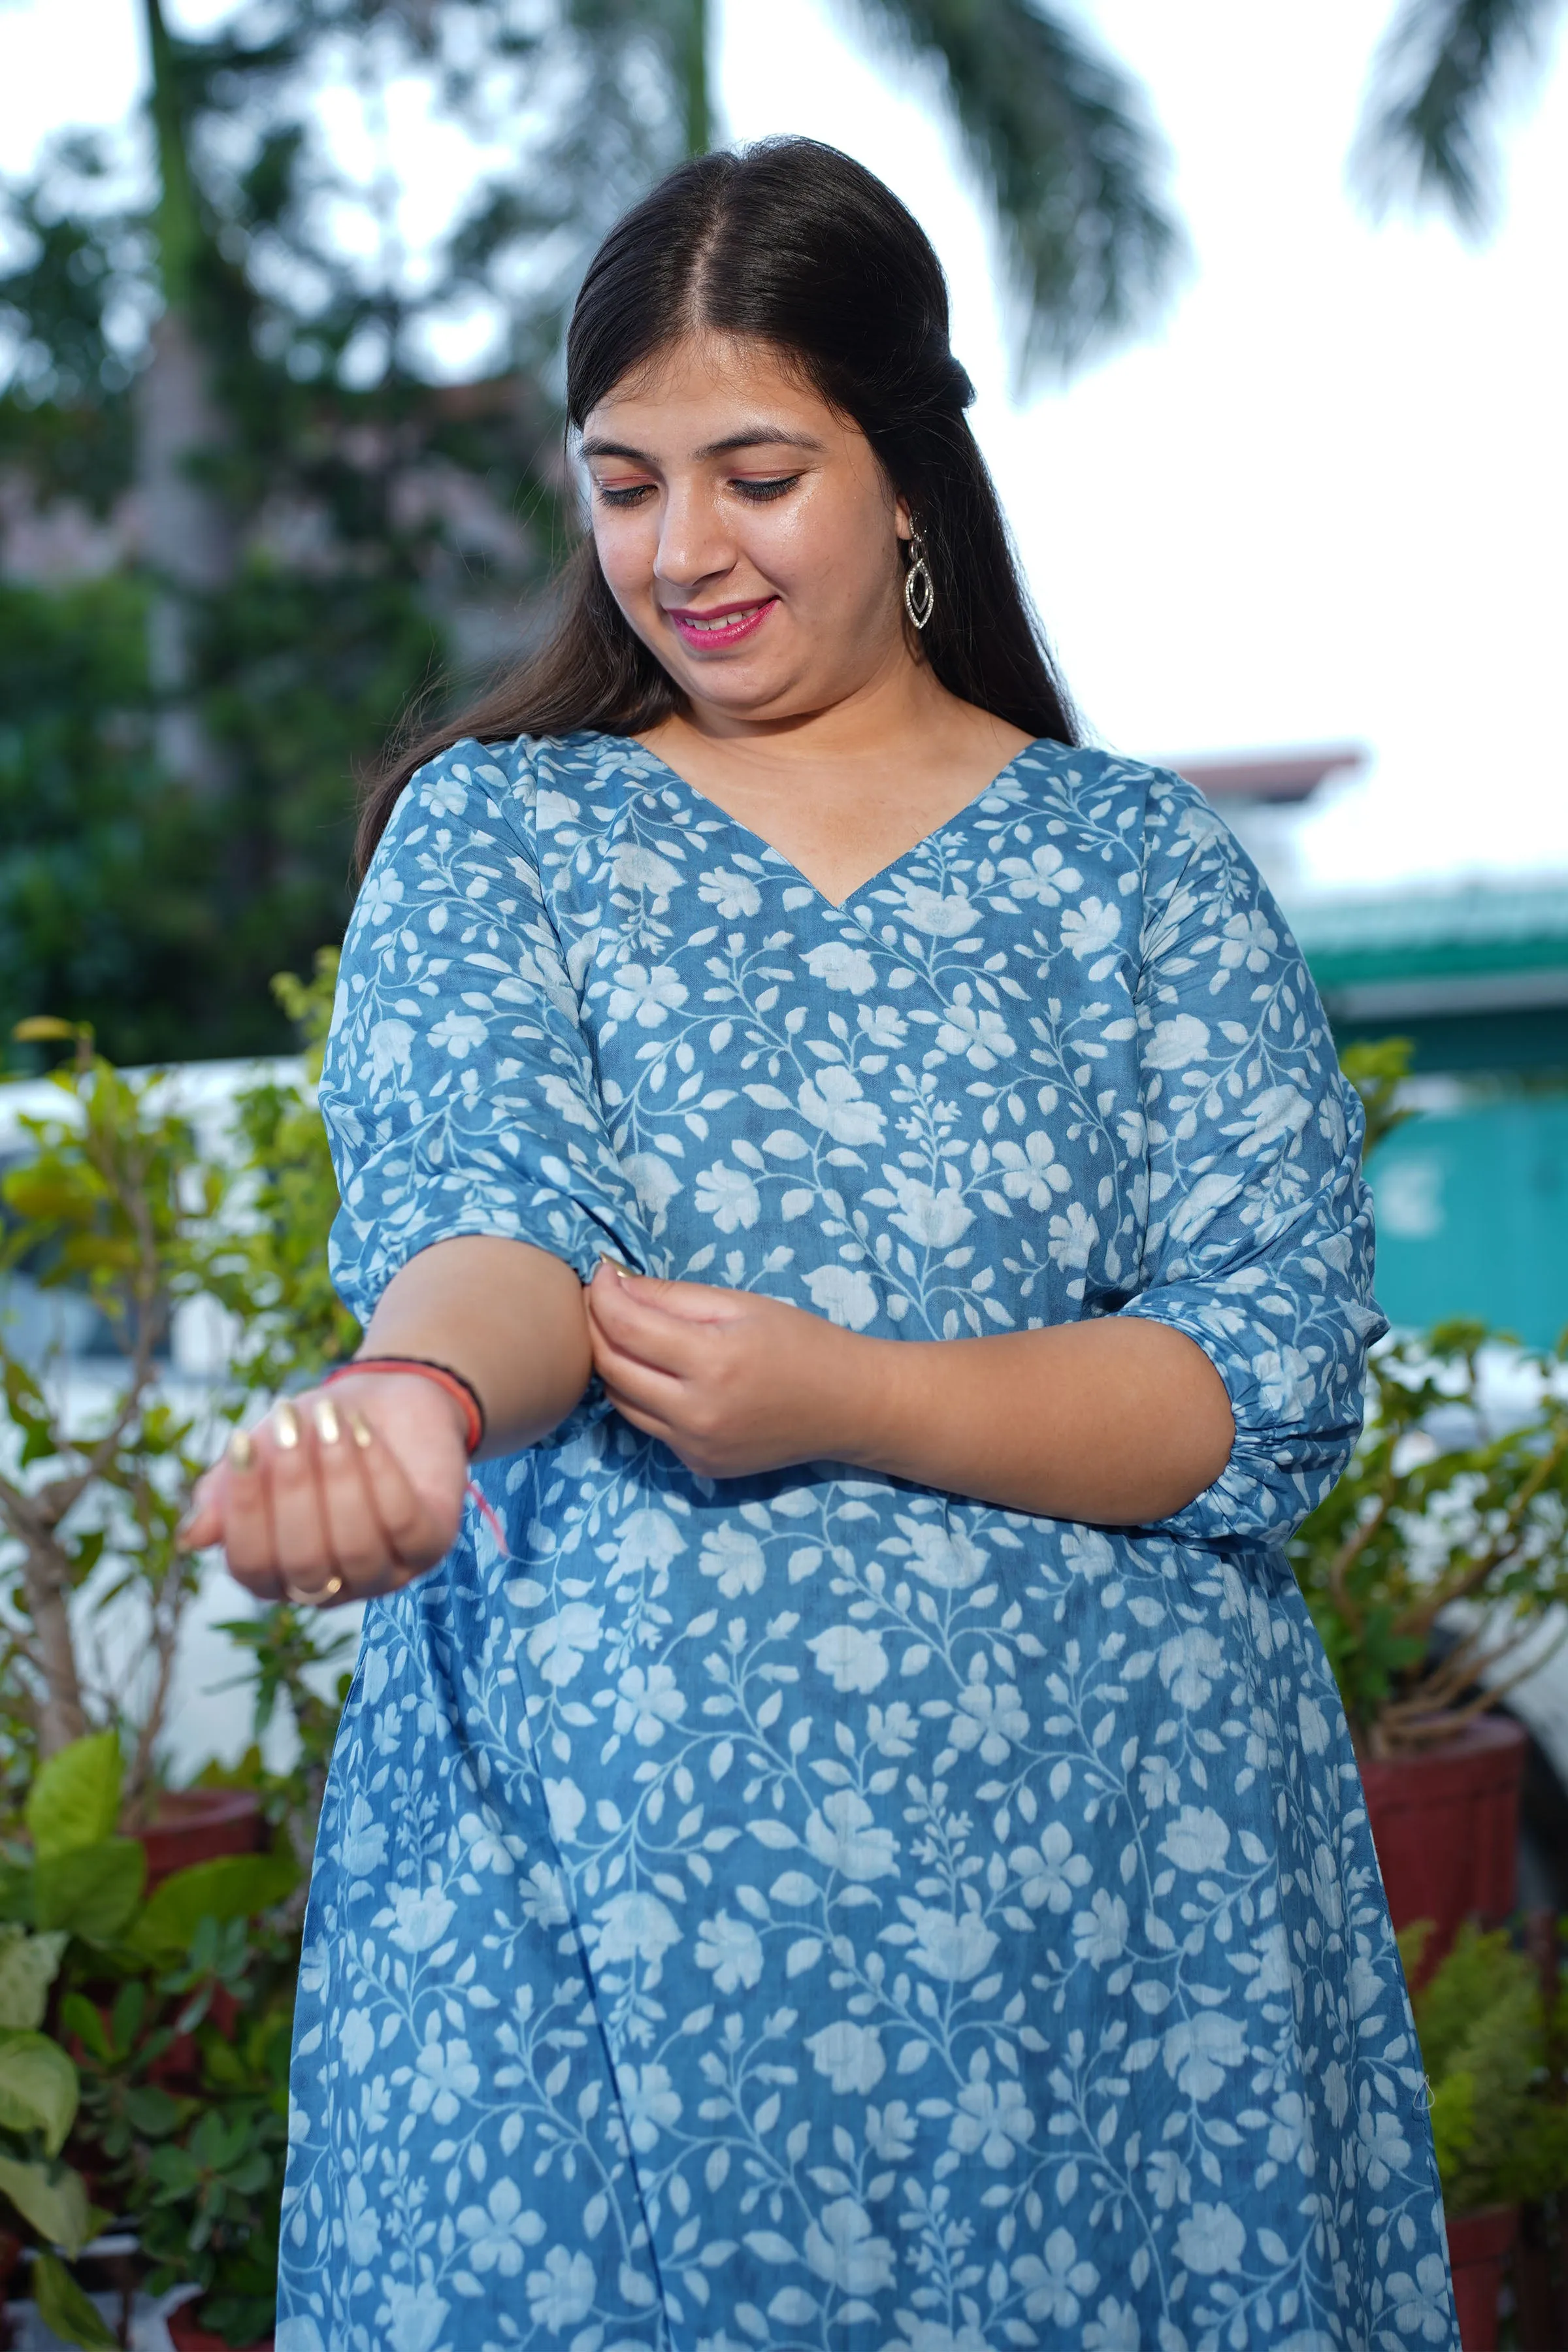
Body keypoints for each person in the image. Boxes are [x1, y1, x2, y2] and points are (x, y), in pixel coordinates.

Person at [185, 137, 1455, 2352]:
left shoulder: (1137, 872)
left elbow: (1260, 1384)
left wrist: (844, 1392)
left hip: (1107, 1934)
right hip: (602, 1907)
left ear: (906, 470)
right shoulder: (507, 832)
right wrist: (414, 1390)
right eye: (624, 482)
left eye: (757, 473)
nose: (686, 551)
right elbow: (492, 1230)